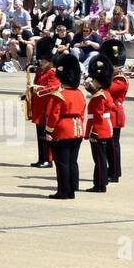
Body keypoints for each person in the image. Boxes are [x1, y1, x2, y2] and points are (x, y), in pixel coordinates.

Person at [44, 54, 87, 200]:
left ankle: (63, 191)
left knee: (62, 163)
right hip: (78, 129)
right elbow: (81, 113)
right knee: (72, 162)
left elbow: (54, 115)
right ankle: (72, 189)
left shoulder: (60, 95)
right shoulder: (80, 94)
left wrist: (48, 131)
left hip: (63, 131)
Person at [26, 35, 60, 169]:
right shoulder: (40, 71)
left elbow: (53, 87)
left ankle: (48, 159)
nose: (41, 62)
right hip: (38, 107)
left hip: (47, 107)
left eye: (44, 60)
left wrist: (37, 89)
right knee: (40, 136)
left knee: (47, 135)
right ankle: (41, 158)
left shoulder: (52, 72)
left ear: (50, 62)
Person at [84, 54, 116, 193]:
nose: (93, 82)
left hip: (98, 130)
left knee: (99, 160)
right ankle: (102, 183)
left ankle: (99, 185)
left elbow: (96, 116)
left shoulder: (98, 97)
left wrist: (92, 132)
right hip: (106, 129)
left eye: (94, 80)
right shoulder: (105, 93)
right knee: (102, 158)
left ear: (98, 81)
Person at [103, 38, 129, 182]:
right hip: (107, 114)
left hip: (114, 114)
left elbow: (108, 89)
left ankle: (114, 172)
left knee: (113, 146)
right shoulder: (112, 77)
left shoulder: (121, 79)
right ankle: (111, 169)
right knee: (108, 146)